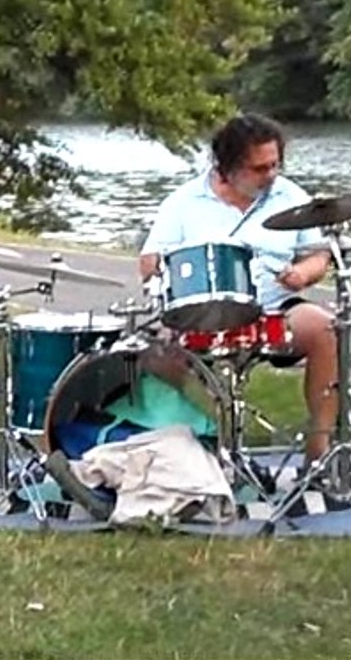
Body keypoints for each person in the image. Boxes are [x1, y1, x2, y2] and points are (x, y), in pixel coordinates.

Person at [138, 113, 339, 465]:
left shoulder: (289, 194)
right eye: (259, 168)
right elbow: (149, 264)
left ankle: (318, 451)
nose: (271, 174)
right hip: (201, 316)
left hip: (272, 311)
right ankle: (180, 452)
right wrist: (161, 267)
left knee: (325, 328)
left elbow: (319, 255)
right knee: (158, 354)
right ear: (227, 168)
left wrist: (302, 274)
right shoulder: (183, 201)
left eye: (275, 164)